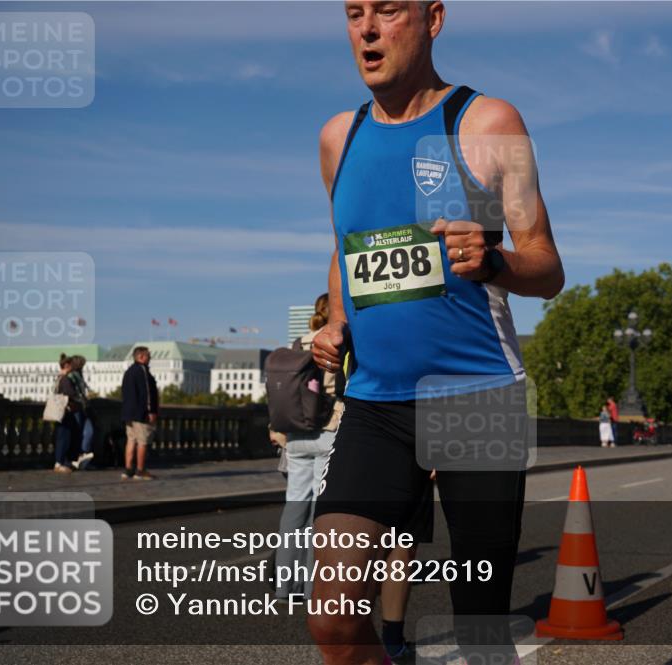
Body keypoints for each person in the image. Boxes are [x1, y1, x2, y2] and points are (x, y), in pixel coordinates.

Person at [308, 3, 564, 663]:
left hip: (476, 395)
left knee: (480, 634)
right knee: (333, 617)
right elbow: (345, 250)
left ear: (432, 19)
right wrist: (337, 320)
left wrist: (496, 259)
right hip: (376, 402)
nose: (366, 29)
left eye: (387, 10)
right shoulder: (340, 135)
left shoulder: (488, 123)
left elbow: (548, 266)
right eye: (354, 13)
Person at [273, 294, 344, 601]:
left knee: (293, 510)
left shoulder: (299, 343)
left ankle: (283, 587)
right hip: (329, 429)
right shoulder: (338, 340)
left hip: (297, 434)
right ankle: (311, 587)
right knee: (319, 513)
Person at [120, 346, 158, 480]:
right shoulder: (142, 371)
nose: (150, 358)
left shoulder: (129, 371)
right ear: (141, 357)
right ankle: (140, 470)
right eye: (148, 356)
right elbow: (147, 394)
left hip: (128, 412)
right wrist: (151, 411)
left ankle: (128, 469)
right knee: (143, 441)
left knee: (131, 440)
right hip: (141, 413)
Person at [53, 354, 83, 473]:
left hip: (63, 411)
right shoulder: (65, 379)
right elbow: (70, 393)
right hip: (65, 411)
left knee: (65, 436)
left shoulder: (60, 377)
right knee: (63, 437)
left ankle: (63, 461)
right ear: (66, 365)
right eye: (71, 365)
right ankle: (59, 462)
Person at [69, 355, 96, 470]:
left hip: (83, 408)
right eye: (82, 365)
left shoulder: (79, 376)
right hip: (76, 408)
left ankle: (84, 455)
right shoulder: (71, 376)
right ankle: (78, 457)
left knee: (89, 432)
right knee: (78, 433)